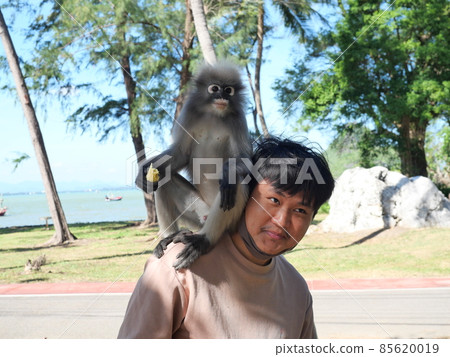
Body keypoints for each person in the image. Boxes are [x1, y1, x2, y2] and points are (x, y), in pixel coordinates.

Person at [118, 137, 335, 339]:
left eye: (300, 211)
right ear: (245, 195)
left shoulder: (297, 289)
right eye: (273, 200)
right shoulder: (179, 268)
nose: (281, 221)